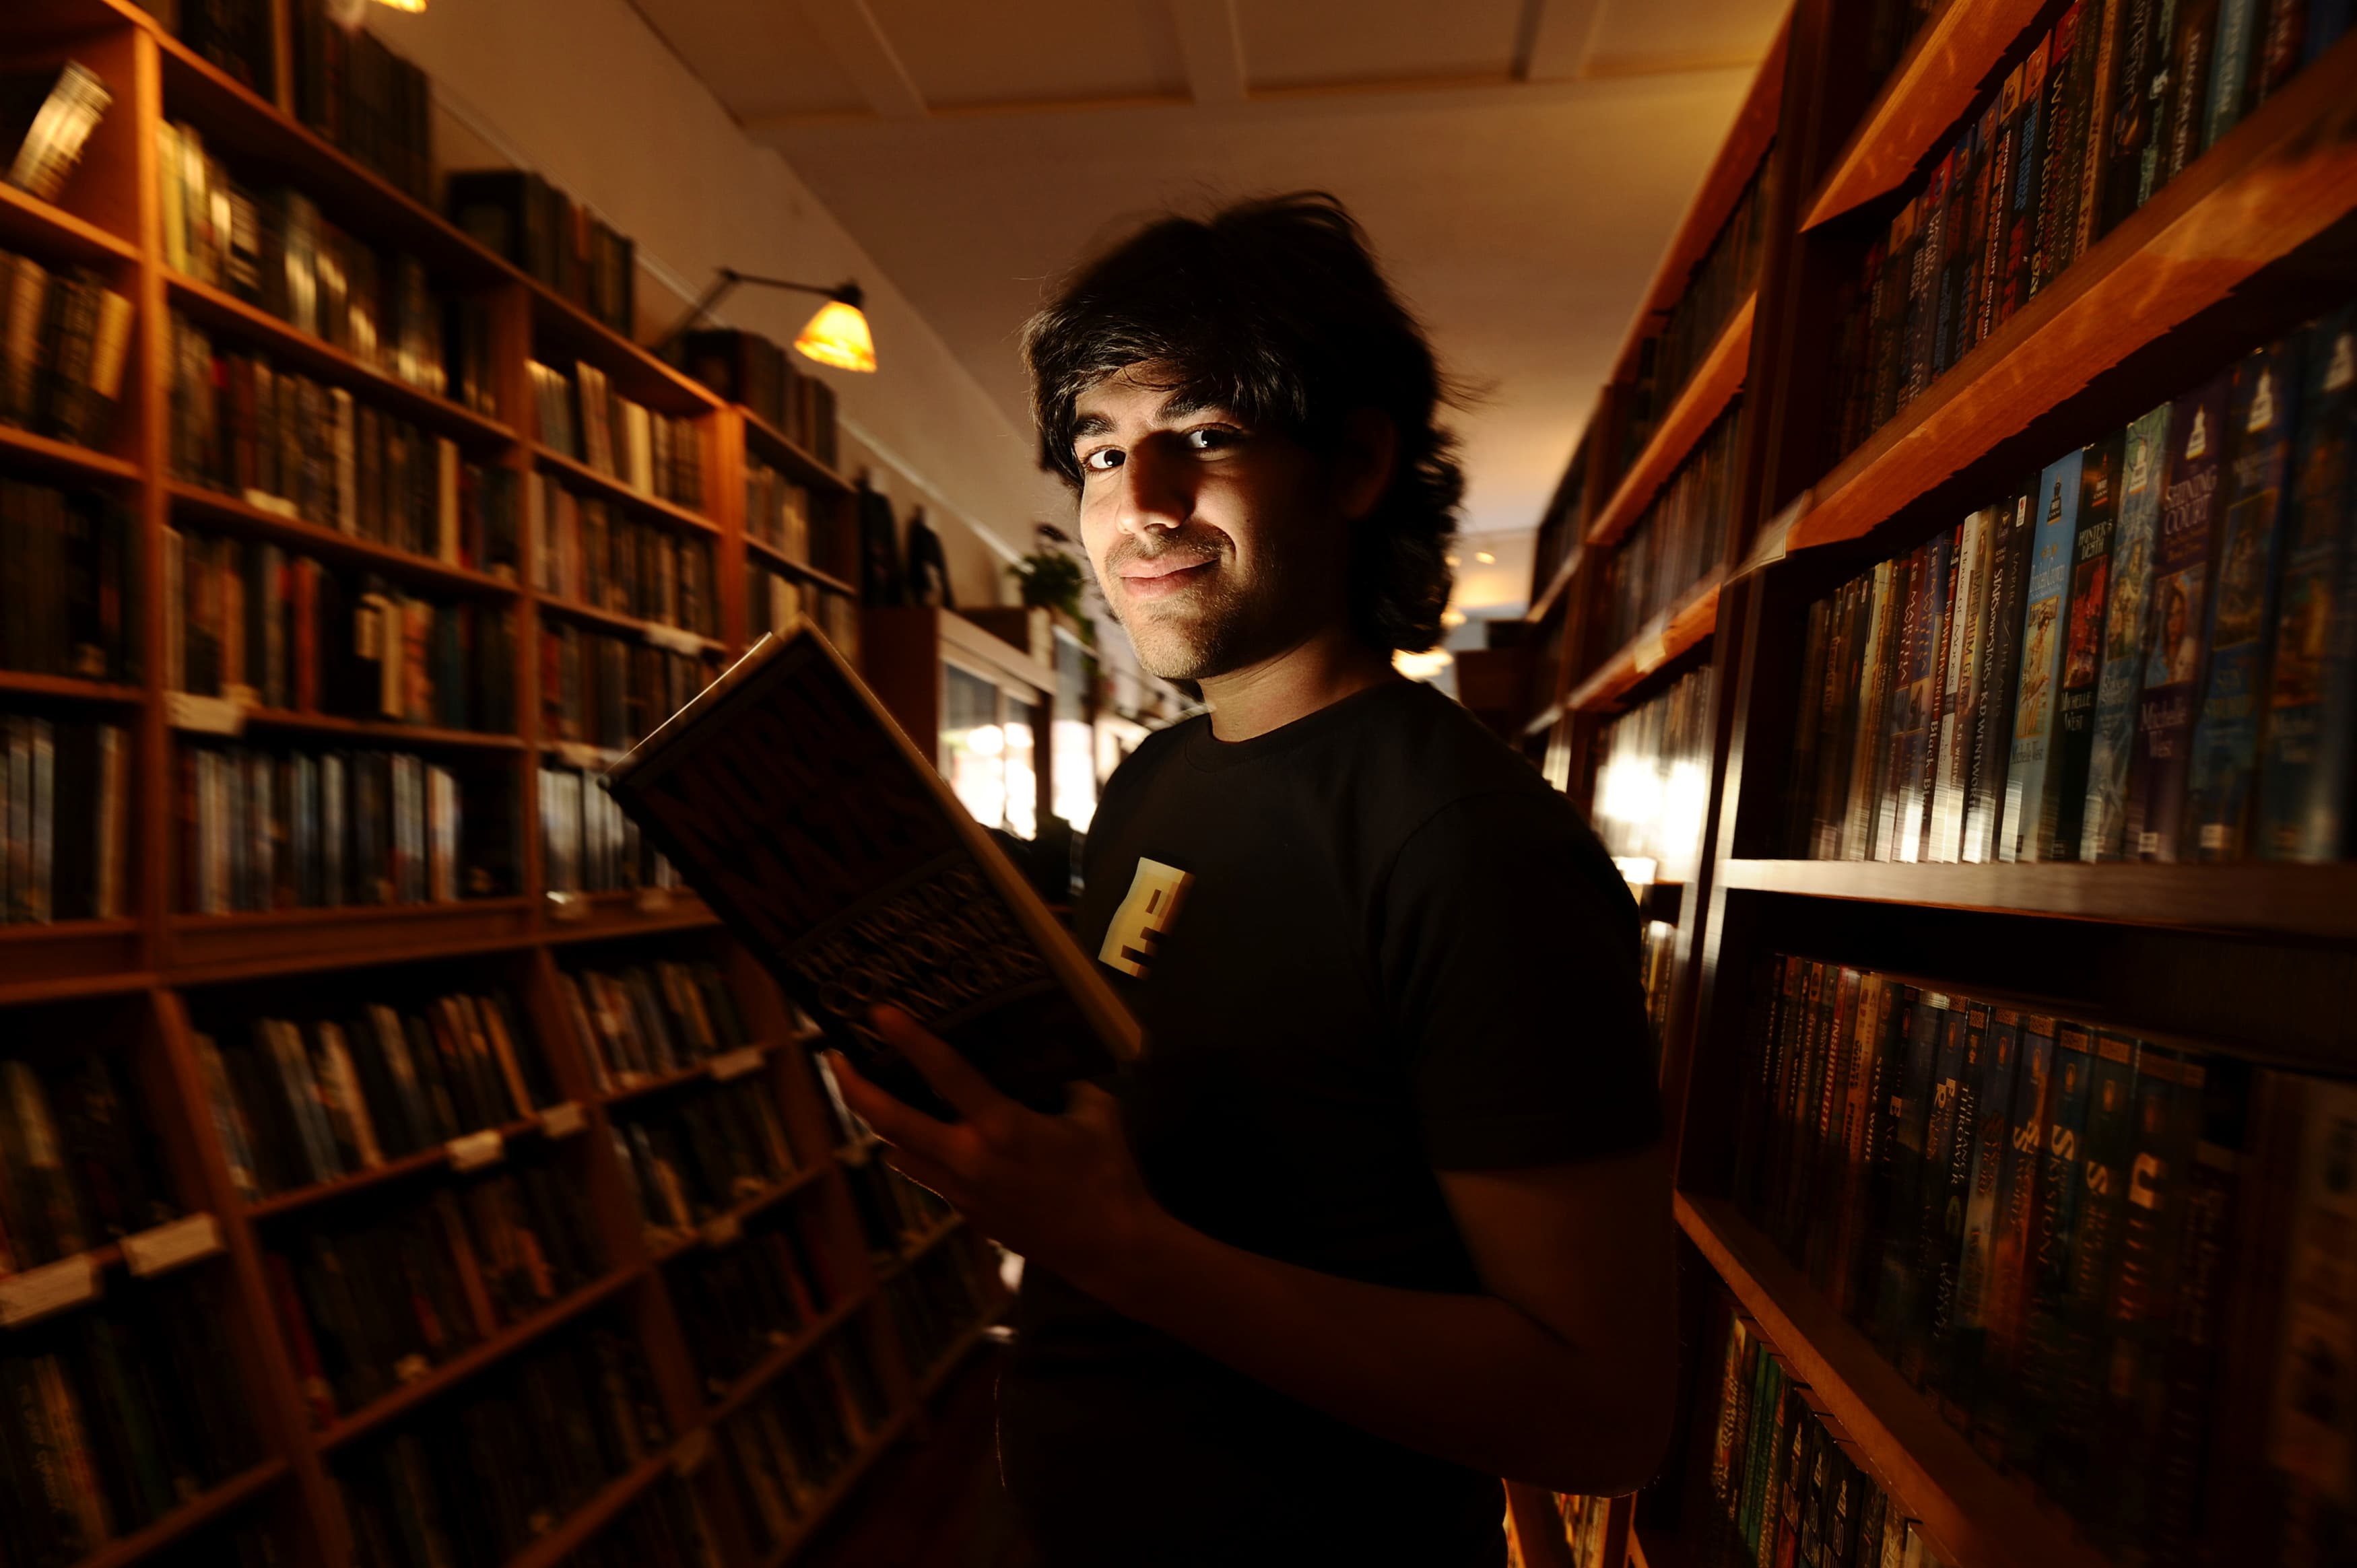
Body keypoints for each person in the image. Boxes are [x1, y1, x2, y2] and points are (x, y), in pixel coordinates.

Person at [827, 193, 1675, 1567]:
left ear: (1352, 463)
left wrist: (1118, 1245)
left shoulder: (1466, 842)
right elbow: (1176, 1137)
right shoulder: (1157, 775)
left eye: (1206, 438)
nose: (1140, 507)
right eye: (1102, 453)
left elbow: (1601, 1412)